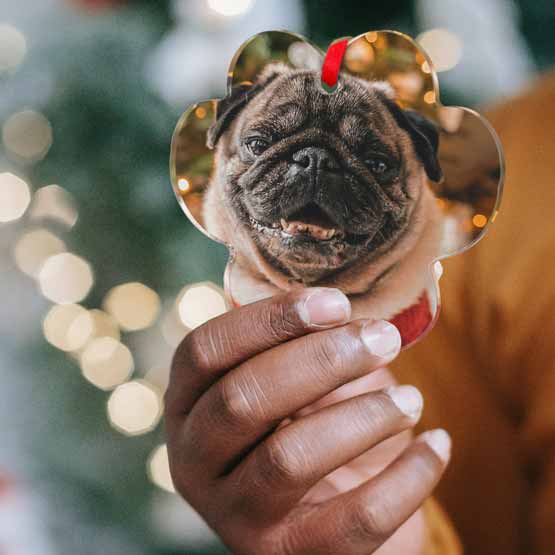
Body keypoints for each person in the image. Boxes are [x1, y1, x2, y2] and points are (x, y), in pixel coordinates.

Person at [164, 74, 555, 554]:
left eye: (374, 162)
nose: (312, 168)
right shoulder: (498, 186)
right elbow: (363, 500)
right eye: (262, 142)